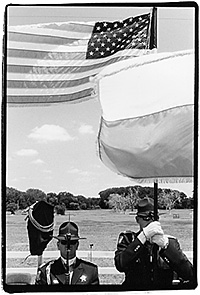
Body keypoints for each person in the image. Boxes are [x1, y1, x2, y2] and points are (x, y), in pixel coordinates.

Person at [114, 197, 194, 289]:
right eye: (145, 218)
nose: (150, 223)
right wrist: (142, 238)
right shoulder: (129, 239)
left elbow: (188, 274)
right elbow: (120, 265)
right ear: (137, 219)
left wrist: (165, 246)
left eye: (154, 218)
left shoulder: (170, 242)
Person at [35, 221, 99, 285]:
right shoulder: (46, 271)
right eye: (64, 242)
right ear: (58, 245)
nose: (68, 246)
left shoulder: (90, 271)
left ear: (77, 245)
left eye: (72, 242)